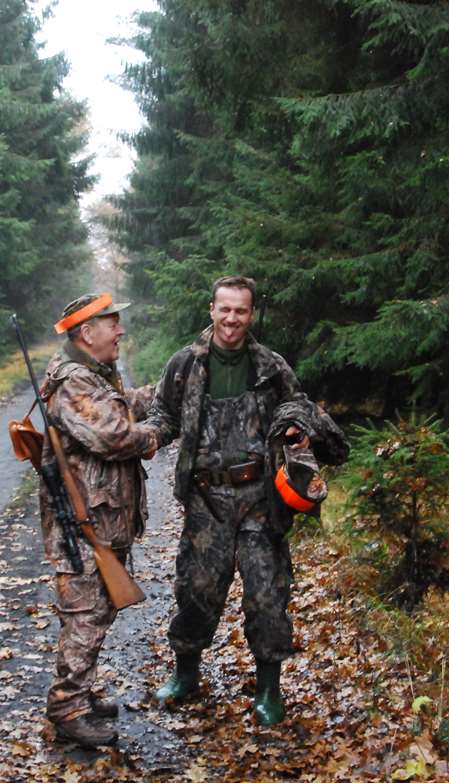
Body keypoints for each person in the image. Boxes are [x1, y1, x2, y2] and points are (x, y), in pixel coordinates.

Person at [147, 275, 348, 725]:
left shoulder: (271, 366)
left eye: (241, 310)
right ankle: (185, 674)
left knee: (267, 595)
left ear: (251, 314)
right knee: (196, 590)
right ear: (212, 310)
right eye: (225, 309)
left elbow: (298, 406)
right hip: (206, 500)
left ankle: (269, 689)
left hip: (260, 499)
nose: (232, 318)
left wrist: (297, 429)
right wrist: (151, 437)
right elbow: (164, 413)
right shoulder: (185, 364)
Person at [38, 293, 157, 747]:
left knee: (98, 610)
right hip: (81, 525)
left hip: (100, 520)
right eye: (112, 323)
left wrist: (162, 392)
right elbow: (112, 434)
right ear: (87, 333)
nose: (120, 331)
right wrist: (154, 435)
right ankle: (67, 709)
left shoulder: (93, 374)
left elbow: (119, 407)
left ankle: (79, 695)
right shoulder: (74, 381)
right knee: (85, 614)